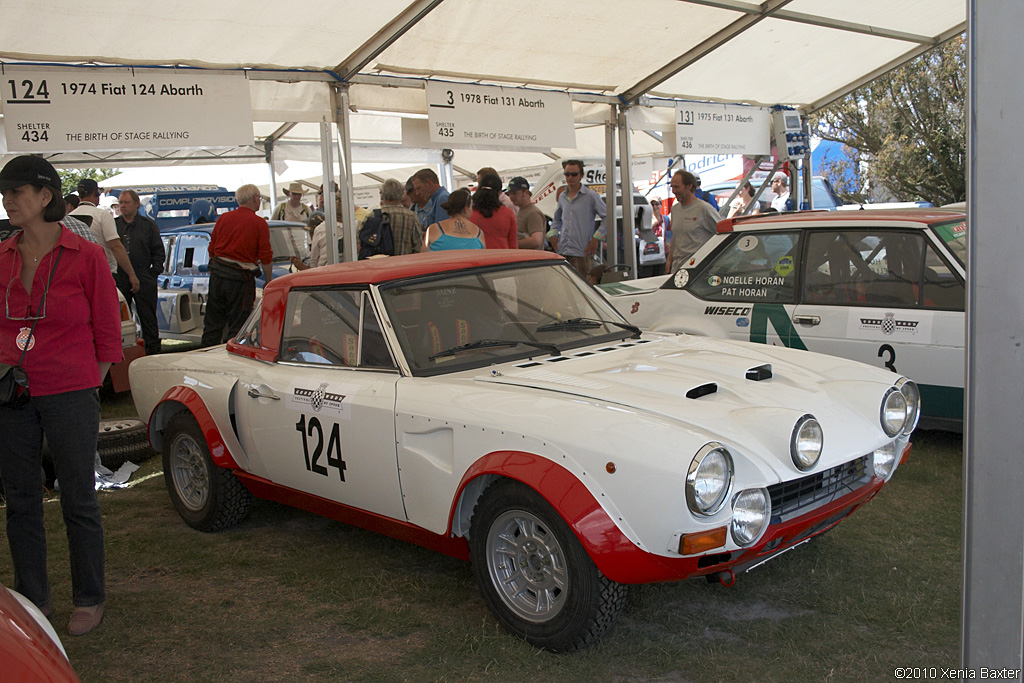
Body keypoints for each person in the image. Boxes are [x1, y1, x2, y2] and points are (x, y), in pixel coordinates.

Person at [0, 155, 122, 637]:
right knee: (21, 500)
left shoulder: (86, 255)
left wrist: (90, 382)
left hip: (71, 391)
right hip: (13, 393)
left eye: (17, 193)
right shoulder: (4, 255)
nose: (8, 201)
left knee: (78, 498)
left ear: (45, 196)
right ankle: (33, 599)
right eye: (4, 194)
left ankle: (89, 596)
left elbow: (108, 331)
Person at [199, 184, 273, 347]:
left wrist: (215, 270)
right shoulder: (258, 223)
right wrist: (268, 280)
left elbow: (212, 248)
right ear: (255, 199)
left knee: (212, 324)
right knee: (238, 326)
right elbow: (266, 256)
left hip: (218, 276)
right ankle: (234, 358)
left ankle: (206, 355)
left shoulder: (223, 219)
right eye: (259, 198)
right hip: (240, 279)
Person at [115, 190, 165, 356]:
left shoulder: (148, 225)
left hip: (144, 275)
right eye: (120, 202)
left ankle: (153, 352)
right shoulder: (114, 225)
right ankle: (121, 352)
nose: (122, 206)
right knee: (119, 319)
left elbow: (158, 251)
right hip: (120, 276)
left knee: (148, 318)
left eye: (126, 202)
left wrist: (153, 273)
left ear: (136, 204)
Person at [70, 178, 140, 294]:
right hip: (103, 274)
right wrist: (131, 274)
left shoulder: (69, 218)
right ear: (95, 192)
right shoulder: (102, 215)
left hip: (76, 275)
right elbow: (115, 246)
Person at [550, 159, 605, 276]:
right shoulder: (562, 197)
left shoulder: (591, 196)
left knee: (586, 286)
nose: (570, 177)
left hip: (583, 251)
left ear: (581, 175)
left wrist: (596, 238)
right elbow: (556, 219)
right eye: (567, 174)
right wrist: (553, 235)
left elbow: (607, 218)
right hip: (564, 250)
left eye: (574, 174)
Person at [665, 170, 721, 273]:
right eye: (672, 187)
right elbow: (676, 237)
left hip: (698, 271)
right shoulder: (675, 209)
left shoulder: (704, 209)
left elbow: (722, 234)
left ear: (689, 186)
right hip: (677, 269)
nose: (673, 191)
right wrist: (669, 261)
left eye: (677, 187)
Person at [470, 174, 518, 249]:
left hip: (477, 257)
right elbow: (513, 245)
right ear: (499, 192)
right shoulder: (507, 213)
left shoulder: (470, 213)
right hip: (503, 257)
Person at [379, 178, 422, 255]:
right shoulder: (411, 216)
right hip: (405, 263)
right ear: (402, 194)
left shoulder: (372, 216)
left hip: (380, 264)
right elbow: (418, 245)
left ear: (382, 194)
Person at [508, 176, 545, 250]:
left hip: (532, 259)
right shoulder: (522, 210)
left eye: (515, 193)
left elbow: (536, 241)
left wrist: (512, 243)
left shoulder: (533, 213)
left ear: (526, 192)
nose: (511, 197)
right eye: (510, 193)